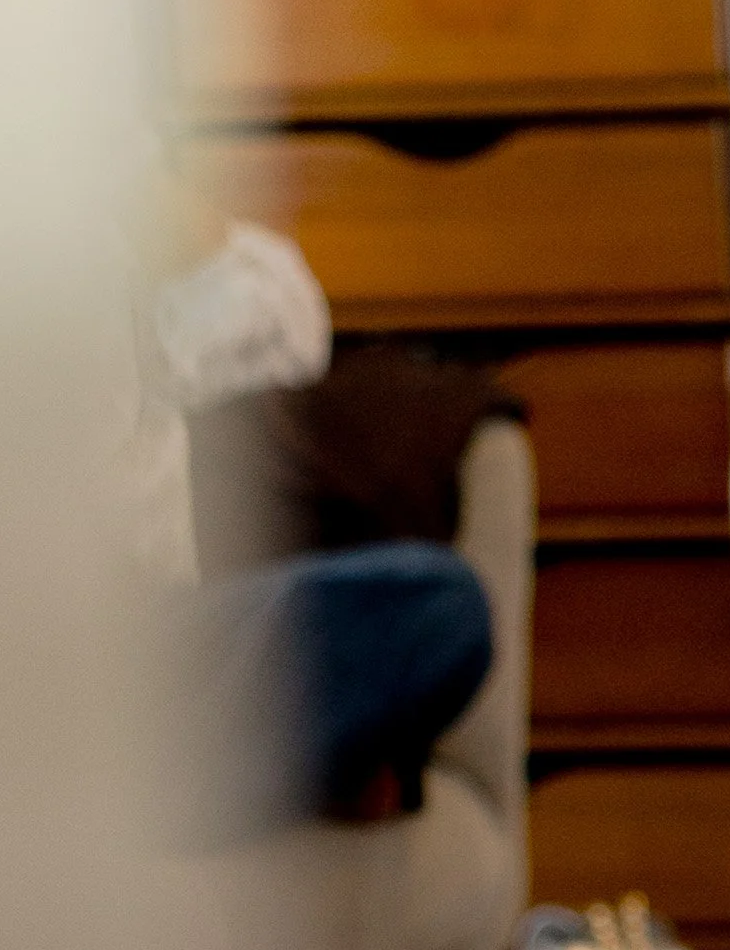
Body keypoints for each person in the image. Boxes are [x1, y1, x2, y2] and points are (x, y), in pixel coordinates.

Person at [117, 213, 497, 845]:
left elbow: (288, 323)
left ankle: (165, 793)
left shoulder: (129, 273)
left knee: (436, 608)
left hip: (160, 649)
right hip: (20, 654)